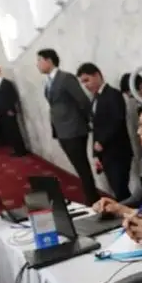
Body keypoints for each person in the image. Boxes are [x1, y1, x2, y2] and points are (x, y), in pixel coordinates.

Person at [36, 48, 100, 205]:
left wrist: (84, 122)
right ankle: (92, 197)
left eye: (39, 60)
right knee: (79, 167)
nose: (37, 64)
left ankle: (93, 200)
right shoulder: (49, 82)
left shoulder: (65, 78)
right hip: (62, 131)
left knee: (82, 168)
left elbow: (83, 101)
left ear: (49, 61)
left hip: (74, 130)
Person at [76, 63, 132, 201]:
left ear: (97, 75)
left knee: (121, 189)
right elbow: (96, 128)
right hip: (105, 153)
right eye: (83, 82)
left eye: (87, 80)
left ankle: (131, 212)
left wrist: (102, 142)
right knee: (116, 189)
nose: (85, 85)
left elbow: (117, 121)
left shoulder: (113, 94)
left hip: (118, 151)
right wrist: (96, 155)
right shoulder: (96, 97)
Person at [0, 64, 27, 156]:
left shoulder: (7, 83)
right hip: (1, 111)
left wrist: (11, 109)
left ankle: (20, 150)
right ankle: (14, 148)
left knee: (14, 130)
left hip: (9, 111)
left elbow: (13, 96)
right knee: (8, 131)